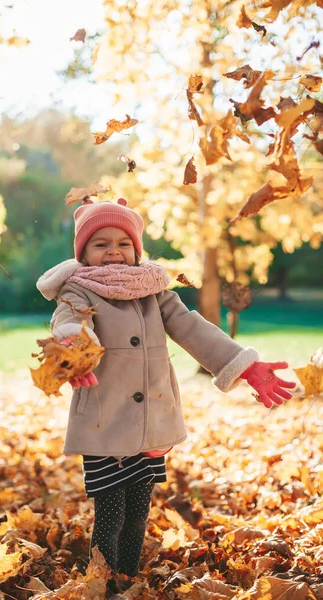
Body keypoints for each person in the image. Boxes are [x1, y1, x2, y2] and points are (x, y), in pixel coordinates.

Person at [36, 198, 295, 579]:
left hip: (153, 420)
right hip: (104, 424)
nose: (114, 251)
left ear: (137, 250)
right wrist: (73, 349)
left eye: (123, 243)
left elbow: (194, 329)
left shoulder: (155, 292)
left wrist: (243, 364)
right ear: (84, 254)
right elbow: (70, 322)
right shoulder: (79, 291)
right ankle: (102, 581)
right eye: (101, 243)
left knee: (139, 513)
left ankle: (127, 577)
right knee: (111, 515)